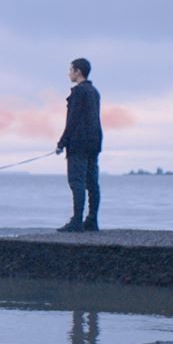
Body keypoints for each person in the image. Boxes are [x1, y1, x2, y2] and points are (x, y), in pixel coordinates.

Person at [56, 58, 102, 232]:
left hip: (78, 143)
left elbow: (73, 120)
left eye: (71, 70)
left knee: (77, 181)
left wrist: (62, 142)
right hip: (94, 141)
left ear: (78, 72)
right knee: (92, 182)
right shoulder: (94, 92)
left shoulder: (78, 92)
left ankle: (76, 220)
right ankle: (92, 219)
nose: (69, 73)